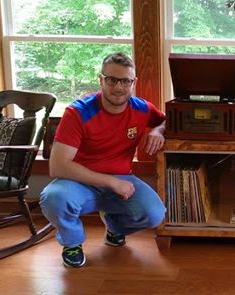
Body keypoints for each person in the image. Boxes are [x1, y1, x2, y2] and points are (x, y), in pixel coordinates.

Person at [40, 52, 167, 268]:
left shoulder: (142, 109)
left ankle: (115, 226)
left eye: (125, 81)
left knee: (155, 214)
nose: (118, 87)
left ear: (133, 83)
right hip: (79, 181)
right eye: (112, 80)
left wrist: (158, 129)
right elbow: (58, 166)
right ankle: (72, 243)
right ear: (101, 79)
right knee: (53, 198)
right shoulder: (77, 112)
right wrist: (111, 182)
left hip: (121, 179)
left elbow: (168, 119)